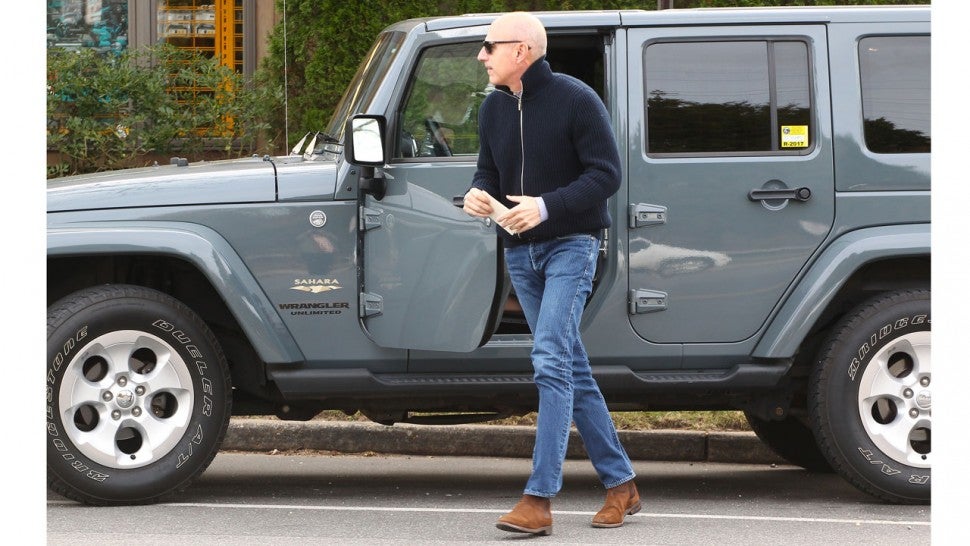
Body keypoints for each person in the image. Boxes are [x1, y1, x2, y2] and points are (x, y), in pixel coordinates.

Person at [462, 11, 640, 536]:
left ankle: (538, 498)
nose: (482, 55)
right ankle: (622, 484)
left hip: (571, 246)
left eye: (490, 46)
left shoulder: (576, 99)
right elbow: (487, 171)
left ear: (521, 51)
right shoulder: (493, 107)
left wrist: (545, 207)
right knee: (570, 366)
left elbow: (606, 174)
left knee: (549, 360)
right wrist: (477, 195)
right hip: (520, 253)